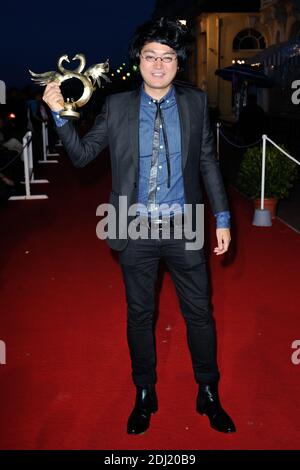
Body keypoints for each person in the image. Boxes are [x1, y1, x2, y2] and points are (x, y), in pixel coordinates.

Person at [42, 18, 236, 435]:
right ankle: (144, 393)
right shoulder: (116, 106)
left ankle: (209, 390)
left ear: (178, 64)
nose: (159, 64)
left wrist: (222, 218)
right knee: (140, 315)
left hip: (185, 224)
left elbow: (206, 162)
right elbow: (82, 156)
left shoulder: (196, 103)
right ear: (140, 61)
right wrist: (61, 117)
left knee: (200, 314)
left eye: (167, 57)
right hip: (132, 225)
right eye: (151, 56)